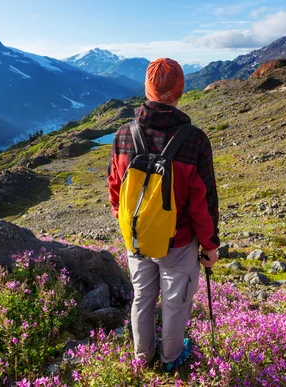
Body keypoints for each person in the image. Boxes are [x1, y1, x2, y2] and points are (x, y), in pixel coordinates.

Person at [107, 58, 220, 372]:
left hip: (138, 239)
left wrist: (129, 223)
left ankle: (142, 358)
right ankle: (171, 359)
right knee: (175, 302)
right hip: (179, 242)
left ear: (147, 89)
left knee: (142, 299)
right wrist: (210, 246)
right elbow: (204, 201)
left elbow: (114, 187)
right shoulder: (194, 140)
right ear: (179, 91)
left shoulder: (123, 135)